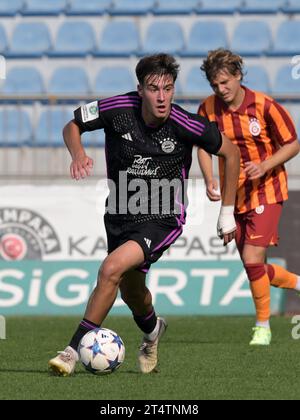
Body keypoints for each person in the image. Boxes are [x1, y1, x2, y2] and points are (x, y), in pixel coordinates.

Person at [48, 53, 240, 376]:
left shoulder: (184, 123)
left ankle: (71, 350)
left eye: (168, 88)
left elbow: (231, 153)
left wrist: (228, 212)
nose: (162, 97)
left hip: (163, 215)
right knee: (131, 291)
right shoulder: (117, 110)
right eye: (154, 89)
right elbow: (73, 124)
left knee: (110, 269)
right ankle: (152, 332)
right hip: (121, 212)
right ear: (140, 90)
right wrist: (78, 151)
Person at [197, 48, 300, 346]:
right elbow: (202, 146)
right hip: (234, 195)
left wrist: (265, 165)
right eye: (215, 85)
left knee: (252, 258)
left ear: (239, 75)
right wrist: (209, 177)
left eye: (226, 82)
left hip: (267, 189)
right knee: (253, 266)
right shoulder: (208, 108)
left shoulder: (265, 106)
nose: (221, 90)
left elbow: (292, 144)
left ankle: (262, 327)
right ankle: (295, 282)